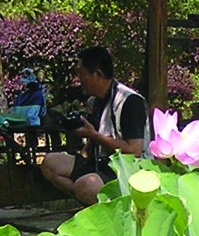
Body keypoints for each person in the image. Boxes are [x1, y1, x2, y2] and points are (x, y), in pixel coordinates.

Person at [38, 46, 149, 206]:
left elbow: (134, 150)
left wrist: (93, 136)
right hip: (99, 161)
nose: (79, 80)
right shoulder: (95, 101)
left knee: (85, 185)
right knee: (50, 163)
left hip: (127, 170)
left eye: (81, 74)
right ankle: (89, 204)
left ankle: (109, 208)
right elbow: (94, 140)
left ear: (97, 75)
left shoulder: (129, 101)